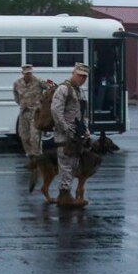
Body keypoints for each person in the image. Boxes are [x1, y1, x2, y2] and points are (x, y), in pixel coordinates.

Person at [51, 62, 91, 207]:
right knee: (66, 166)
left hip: (76, 136)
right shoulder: (63, 89)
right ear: (73, 73)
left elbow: (82, 113)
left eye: (84, 77)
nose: (81, 78)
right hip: (65, 136)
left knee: (73, 166)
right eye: (79, 75)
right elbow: (56, 111)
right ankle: (64, 196)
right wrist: (66, 129)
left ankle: (66, 195)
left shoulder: (79, 91)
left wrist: (85, 130)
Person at [13, 64, 47, 160]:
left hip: (35, 112)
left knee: (35, 136)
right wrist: (20, 102)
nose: (28, 75)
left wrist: (44, 101)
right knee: (24, 136)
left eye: (30, 73)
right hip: (24, 112)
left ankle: (37, 156)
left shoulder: (39, 81)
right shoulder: (17, 83)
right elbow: (15, 94)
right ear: (22, 73)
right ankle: (30, 154)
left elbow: (52, 85)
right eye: (26, 73)